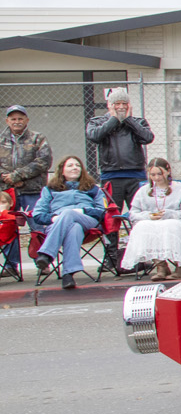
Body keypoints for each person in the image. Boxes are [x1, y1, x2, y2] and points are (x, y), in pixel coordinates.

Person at [86, 87, 155, 267]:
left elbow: (147, 137)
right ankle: (111, 258)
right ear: (109, 105)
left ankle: (142, 255)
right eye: (117, 104)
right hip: (111, 176)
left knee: (139, 216)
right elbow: (94, 136)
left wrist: (129, 120)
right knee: (111, 218)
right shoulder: (97, 122)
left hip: (136, 176)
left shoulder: (138, 122)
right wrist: (114, 119)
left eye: (124, 103)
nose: (121, 107)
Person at [31, 156, 105, 289]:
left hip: (87, 221)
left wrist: (82, 211)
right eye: (70, 165)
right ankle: (68, 275)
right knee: (74, 228)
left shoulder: (93, 188)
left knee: (68, 213)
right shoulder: (50, 189)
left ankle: (46, 254)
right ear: (62, 170)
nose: (75, 168)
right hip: (57, 224)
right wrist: (53, 218)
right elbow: (37, 214)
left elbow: (102, 211)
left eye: (78, 165)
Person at [122, 158, 181, 280]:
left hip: (177, 221)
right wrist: (149, 216)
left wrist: (170, 214)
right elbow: (133, 213)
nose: (157, 178)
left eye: (160, 173)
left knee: (170, 225)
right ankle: (161, 266)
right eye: (153, 175)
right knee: (142, 227)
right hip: (153, 222)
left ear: (168, 171)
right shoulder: (143, 191)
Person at [1, 104, 52, 219]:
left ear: (26, 120)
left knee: (37, 224)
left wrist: (17, 176)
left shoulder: (38, 138)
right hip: (5, 192)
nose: (17, 122)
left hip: (33, 191)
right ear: (7, 121)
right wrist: (6, 178)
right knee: (6, 226)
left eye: (20, 119)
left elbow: (44, 161)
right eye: (13, 119)